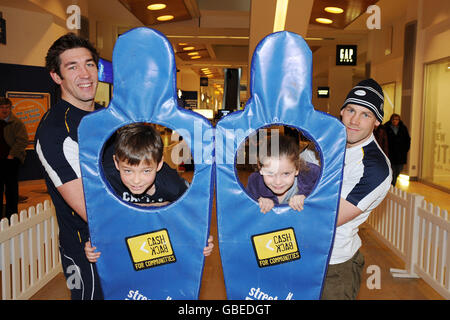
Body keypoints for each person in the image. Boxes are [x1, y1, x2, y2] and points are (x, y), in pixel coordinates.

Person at [35, 33, 104, 300]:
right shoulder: (55, 132)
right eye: (72, 67)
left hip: (128, 236)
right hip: (88, 251)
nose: (85, 74)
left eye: (89, 64)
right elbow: (91, 210)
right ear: (56, 77)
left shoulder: (107, 118)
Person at [85, 122, 214, 262]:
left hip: (159, 244)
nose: (136, 180)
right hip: (126, 243)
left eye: (146, 171)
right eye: (128, 171)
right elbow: (100, 218)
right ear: (117, 164)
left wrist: (202, 236)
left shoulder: (172, 185)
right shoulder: (108, 182)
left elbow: (193, 212)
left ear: (159, 164)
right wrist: (93, 244)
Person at [321, 78, 392, 300]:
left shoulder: (375, 168)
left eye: (365, 114)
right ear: (341, 111)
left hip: (333, 266)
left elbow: (330, 217)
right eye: (351, 110)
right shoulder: (326, 144)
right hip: (298, 253)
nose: (354, 120)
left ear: (376, 122)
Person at [246, 134, 320, 214]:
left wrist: (308, 197)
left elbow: (327, 198)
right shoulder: (255, 184)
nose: (278, 182)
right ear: (260, 168)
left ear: (297, 169)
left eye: (286, 173)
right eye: (270, 173)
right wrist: (257, 202)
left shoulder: (310, 177)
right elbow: (245, 212)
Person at [0, 97, 28, 220]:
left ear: (10, 108)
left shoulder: (17, 123)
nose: (5, 110)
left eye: (7, 107)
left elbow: (22, 141)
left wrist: (12, 155)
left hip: (11, 161)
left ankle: (12, 215)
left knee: (11, 189)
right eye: (2, 107)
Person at [385, 113, 411, 186]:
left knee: (399, 170)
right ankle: (392, 184)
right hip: (390, 153)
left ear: (399, 120)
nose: (395, 121)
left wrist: (406, 149)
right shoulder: (386, 128)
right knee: (392, 170)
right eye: (393, 119)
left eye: (397, 119)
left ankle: (392, 183)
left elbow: (407, 139)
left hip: (400, 154)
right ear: (391, 120)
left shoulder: (403, 128)